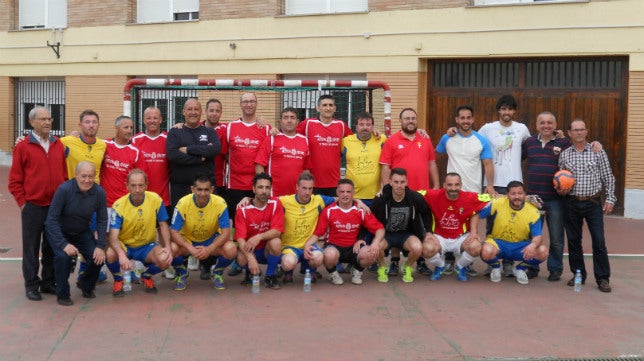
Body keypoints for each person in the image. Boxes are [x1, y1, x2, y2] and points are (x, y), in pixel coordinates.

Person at [9, 106, 68, 301]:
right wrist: (23, 203)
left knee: (52, 247)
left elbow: (64, 174)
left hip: (55, 207)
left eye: (49, 119)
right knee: (31, 249)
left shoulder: (58, 144)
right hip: (32, 206)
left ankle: (48, 282)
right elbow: (14, 181)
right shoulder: (23, 146)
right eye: (42, 119)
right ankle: (31, 285)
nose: (47, 122)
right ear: (31, 122)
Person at [436, 105, 494, 277]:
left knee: (470, 228)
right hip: (451, 190)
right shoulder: (447, 138)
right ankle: (448, 260)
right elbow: (435, 156)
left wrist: (490, 184)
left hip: (472, 190)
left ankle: (466, 262)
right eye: (462, 118)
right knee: (448, 223)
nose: (465, 121)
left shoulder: (481, 140)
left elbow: (488, 164)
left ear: (473, 119)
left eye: (468, 118)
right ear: (457, 120)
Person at [558, 119, 616, 293]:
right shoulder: (565, 154)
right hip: (572, 202)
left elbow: (608, 177)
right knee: (574, 242)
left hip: (593, 202)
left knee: (599, 241)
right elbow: (560, 178)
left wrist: (610, 199)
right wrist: (561, 190)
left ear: (587, 131)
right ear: (569, 133)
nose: (578, 133)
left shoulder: (597, 151)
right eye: (575, 130)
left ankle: (603, 278)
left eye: (582, 129)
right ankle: (578, 274)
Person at [477, 95, 531, 278]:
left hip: (514, 183)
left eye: (510, 109)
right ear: (498, 110)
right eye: (503, 109)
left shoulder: (522, 129)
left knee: (513, 226)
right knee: (492, 225)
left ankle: (508, 263)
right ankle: (492, 262)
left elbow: (532, 145)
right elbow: (472, 142)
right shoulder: (487, 128)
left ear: (514, 111)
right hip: (493, 185)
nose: (506, 112)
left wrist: (557, 135)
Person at [379, 108, 438, 275]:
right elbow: (385, 167)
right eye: (407, 118)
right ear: (400, 121)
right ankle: (395, 262)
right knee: (396, 226)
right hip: (398, 192)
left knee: (419, 226)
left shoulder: (425, 139)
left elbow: (431, 163)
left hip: (422, 192)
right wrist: (387, 189)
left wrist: (435, 186)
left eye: (413, 118)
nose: (410, 121)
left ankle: (420, 261)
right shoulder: (391, 141)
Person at [45, 162, 107, 306]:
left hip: (81, 231)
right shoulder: (64, 190)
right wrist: (63, 244)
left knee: (98, 257)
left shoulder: (99, 193)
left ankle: (85, 284)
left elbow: (102, 219)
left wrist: (100, 245)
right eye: (83, 176)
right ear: (76, 175)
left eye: (91, 176)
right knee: (63, 258)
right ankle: (62, 294)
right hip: (60, 231)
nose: (87, 180)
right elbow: (51, 220)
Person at [105, 169, 175, 296]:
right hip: (126, 246)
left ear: (146, 185)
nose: (137, 189)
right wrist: (120, 254)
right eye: (133, 185)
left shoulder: (155, 200)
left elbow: (163, 225)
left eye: (140, 185)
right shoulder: (118, 206)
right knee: (110, 254)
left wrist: (168, 247)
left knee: (166, 259)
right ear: (127, 186)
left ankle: (146, 276)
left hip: (147, 245)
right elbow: (113, 236)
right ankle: (118, 280)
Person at [304, 179, 385, 285]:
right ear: (337, 193)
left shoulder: (361, 210)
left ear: (353, 193)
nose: (345, 195)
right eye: (342, 192)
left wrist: (375, 243)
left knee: (372, 252)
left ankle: (357, 270)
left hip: (354, 248)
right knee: (329, 254)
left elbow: (380, 229)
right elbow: (317, 234)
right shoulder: (329, 211)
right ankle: (332, 273)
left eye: (348, 192)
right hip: (334, 246)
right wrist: (307, 244)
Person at [170, 175, 236, 291]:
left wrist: (210, 249)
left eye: (206, 190)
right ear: (192, 189)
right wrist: (190, 248)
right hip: (189, 240)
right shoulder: (183, 203)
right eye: (199, 189)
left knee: (231, 249)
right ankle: (182, 273)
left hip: (211, 239)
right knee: (171, 249)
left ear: (211, 189)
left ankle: (217, 272)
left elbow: (226, 233)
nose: (203, 193)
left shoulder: (220, 203)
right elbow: (173, 231)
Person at [422, 173, 489, 282]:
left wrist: (473, 232)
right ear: (444, 185)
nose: (453, 188)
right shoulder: (433, 195)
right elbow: (412, 194)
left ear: (461, 185)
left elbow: (492, 198)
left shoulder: (470, 197)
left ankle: (460, 266)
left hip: (461, 238)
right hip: (439, 237)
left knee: (476, 247)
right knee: (426, 249)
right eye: (450, 185)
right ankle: (440, 265)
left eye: (457, 185)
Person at [478, 181, 549, 285]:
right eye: (513, 193)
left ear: (525, 194)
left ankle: (520, 268)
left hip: (520, 246)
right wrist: (474, 233)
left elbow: (538, 236)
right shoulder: (498, 203)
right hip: (498, 243)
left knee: (543, 251)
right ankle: (496, 267)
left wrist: (533, 245)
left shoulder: (533, 211)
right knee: (485, 251)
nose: (517, 197)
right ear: (507, 195)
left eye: (520, 193)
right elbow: (477, 214)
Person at [370, 168, 433, 283]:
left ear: (407, 182)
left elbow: (426, 212)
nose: (399, 185)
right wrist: (369, 238)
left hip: (406, 234)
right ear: (390, 182)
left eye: (402, 182)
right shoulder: (381, 199)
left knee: (417, 248)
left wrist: (428, 231)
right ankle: (383, 267)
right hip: (386, 234)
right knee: (375, 247)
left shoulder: (415, 197)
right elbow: (370, 218)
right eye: (396, 182)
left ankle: (407, 266)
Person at [277, 172, 335, 284]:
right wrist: (247, 198)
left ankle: (310, 271)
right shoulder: (284, 201)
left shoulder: (318, 200)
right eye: (304, 188)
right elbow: (265, 201)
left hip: (309, 245)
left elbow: (341, 198)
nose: (307, 192)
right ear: (297, 187)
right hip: (290, 246)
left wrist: (357, 201)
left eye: (310, 188)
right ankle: (288, 273)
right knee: (288, 263)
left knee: (318, 257)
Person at [224, 92, 272, 219]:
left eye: (252, 101)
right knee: (235, 220)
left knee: (256, 221)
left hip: (258, 185)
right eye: (245, 101)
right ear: (240, 104)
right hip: (235, 184)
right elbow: (225, 153)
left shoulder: (266, 128)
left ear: (256, 104)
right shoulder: (230, 127)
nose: (249, 104)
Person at [167, 98, 221, 209]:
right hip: (180, 189)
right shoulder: (175, 132)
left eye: (196, 109)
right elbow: (173, 155)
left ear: (201, 112)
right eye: (189, 109)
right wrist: (199, 158)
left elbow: (215, 149)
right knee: (180, 224)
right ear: (183, 111)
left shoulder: (210, 132)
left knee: (208, 223)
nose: (193, 112)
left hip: (205, 189)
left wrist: (188, 149)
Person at [234, 173, 285, 289]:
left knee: (276, 242)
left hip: (266, 249)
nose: (264, 191)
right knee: (241, 258)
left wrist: (258, 237)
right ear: (253, 189)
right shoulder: (242, 209)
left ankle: (270, 276)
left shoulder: (276, 203)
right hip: (250, 249)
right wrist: (250, 258)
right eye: (260, 187)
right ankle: (249, 273)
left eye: (267, 188)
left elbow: (277, 231)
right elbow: (240, 238)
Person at [296, 94, 352, 196]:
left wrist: (373, 134)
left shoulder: (341, 125)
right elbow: (290, 135)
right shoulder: (308, 123)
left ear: (335, 108)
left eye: (331, 105)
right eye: (324, 105)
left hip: (334, 182)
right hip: (312, 183)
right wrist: (276, 131)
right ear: (318, 108)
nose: (328, 108)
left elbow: (355, 141)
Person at [255, 107, 311, 197]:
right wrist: (264, 189)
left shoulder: (304, 140)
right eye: (286, 118)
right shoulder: (272, 138)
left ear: (297, 122)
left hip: (296, 196)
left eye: (292, 118)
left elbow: (306, 169)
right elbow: (259, 165)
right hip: (274, 194)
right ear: (280, 121)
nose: (289, 121)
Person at [131, 106, 171, 212]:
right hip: (140, 198)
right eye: (149, 118)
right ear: (144, 120)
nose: (152, 121)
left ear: (161, 120)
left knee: (163, 228)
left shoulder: (168, 139)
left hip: (163, 199)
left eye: (155, 118)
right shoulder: (135, 140)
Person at [342, 111, 384, 204]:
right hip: (353, 197)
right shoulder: (346, 141)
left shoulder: (382, 139)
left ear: (373, 127)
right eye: (361, 124)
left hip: (376, 196)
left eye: (368, 125)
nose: (365, 127)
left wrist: (417, 131)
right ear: (356, 127)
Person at [101, 115, 142, 208]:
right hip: (105, 204)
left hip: (125, 204)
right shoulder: (104, 145)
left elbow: (141, 178)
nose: (129, 131)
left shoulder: (136, 152)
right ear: (116, 128)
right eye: (126, 127)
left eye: (131, 128)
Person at [60, 110, 107, 182]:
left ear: (98, 125)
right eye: (87, 122)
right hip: (73, 190)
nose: (91, 125)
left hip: (94, 191)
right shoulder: (66, 142)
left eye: (94, 122)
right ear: (80, 125)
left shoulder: (103, 145)